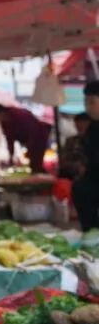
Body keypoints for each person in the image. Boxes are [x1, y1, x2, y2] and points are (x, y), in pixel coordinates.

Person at [0, 103, 52, 174]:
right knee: (34, 163)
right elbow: (9, 140)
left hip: (39, 135)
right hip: (30, 140)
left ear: (0, 113)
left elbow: (33, 129)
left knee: (36, 163)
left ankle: (44, 180)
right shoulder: (5, 123)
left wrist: (30, 148)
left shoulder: (17, 114)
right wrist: (11, 157)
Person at [71, 83, 99, 230]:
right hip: (93, 179)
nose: (88, 107)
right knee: (80, 189)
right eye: (86, 102)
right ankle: (91, 233)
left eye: (92, 102)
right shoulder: (93, 127)